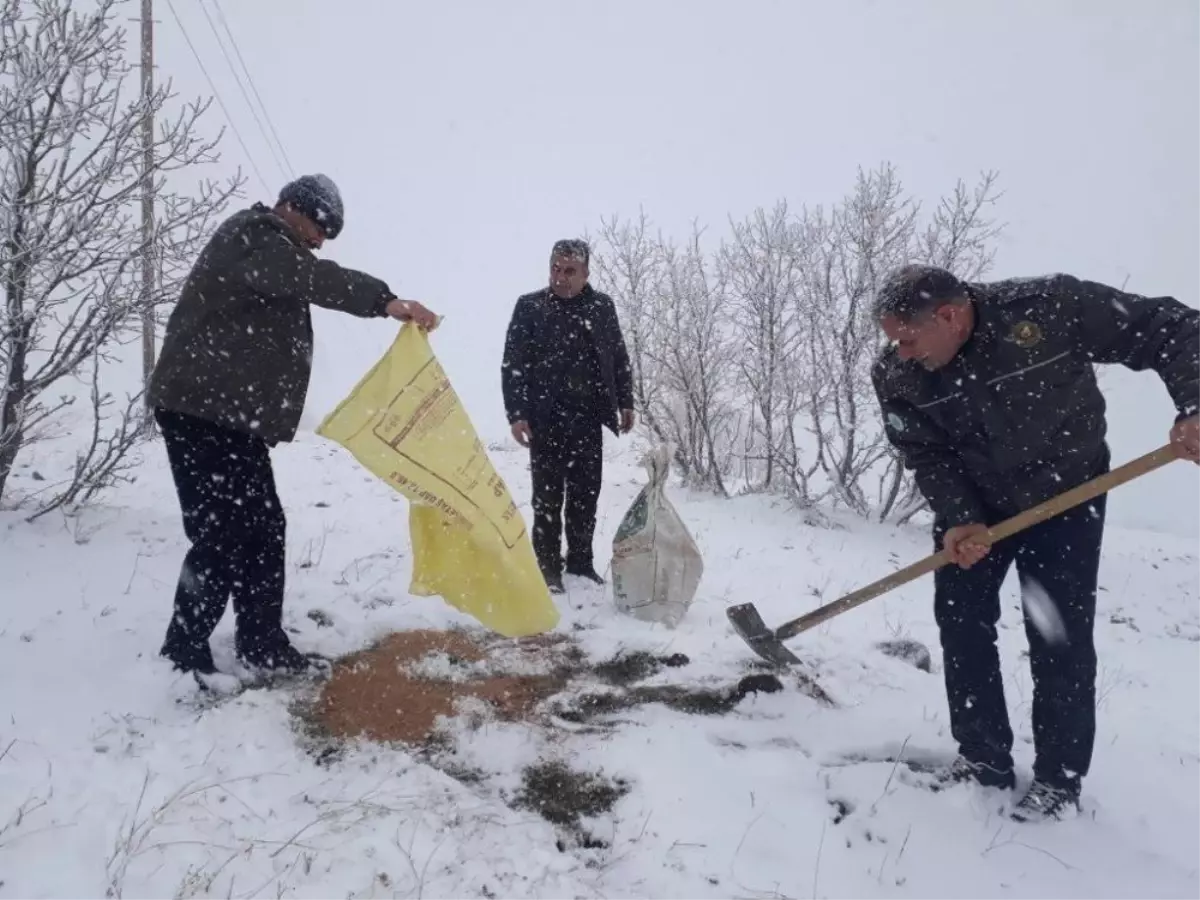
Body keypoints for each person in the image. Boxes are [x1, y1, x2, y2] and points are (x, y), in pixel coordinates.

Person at [870, 264, 1200, 823]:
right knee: (962, 624)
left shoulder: (1048, 307)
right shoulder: (899, 376)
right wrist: (958, 519)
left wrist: (1195, 403)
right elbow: (924, 452)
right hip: (976, 513)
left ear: (948, 316)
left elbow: (1169, 326)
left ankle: (1058, 781)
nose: (900, 353)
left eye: (907, 338)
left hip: (1067, 498)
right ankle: (983, 760)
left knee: (1058, 636)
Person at [147, 174, 440, 679]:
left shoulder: (269, 246)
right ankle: (184, 651)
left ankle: (261, 642)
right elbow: (311, 278)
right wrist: (384, 301)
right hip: (201, 411)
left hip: (225, 417)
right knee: (221, 533)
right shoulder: (256, 236)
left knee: (261, 528)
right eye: (319, 227)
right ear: (292, 207)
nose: (319, 240)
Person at [500, 238, 636, 594]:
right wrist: (517, 414)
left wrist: (626, 402)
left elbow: (618, 357)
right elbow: (513, 364)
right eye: (555, 269)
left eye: (570, 271)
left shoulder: (601, 308)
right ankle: (547, 568)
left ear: (586, 273)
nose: (560, 278)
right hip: (545, 421)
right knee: (546, 499)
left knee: (584, 496)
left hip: (588, 420)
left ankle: (580, 563)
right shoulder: (530, 307)